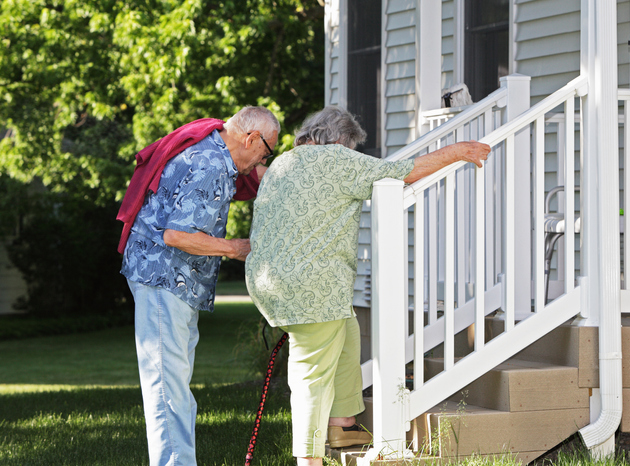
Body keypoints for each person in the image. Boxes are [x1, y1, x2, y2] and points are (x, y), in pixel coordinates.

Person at [244, 106, 490, 466]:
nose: (352, 154)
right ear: (340, 141)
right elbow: (401, 173)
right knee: (310, 373)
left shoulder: (283, 163)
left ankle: (343, 424)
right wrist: (458, 151)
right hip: (313, 289)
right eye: (351, 147)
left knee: (346, 330)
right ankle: (307, 459)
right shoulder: (337, 160)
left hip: (272, 282)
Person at [118, 106, 280, 466]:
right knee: (167, 389)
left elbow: (261, 178)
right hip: (162, 278)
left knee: (174, 386)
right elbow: (176, 235)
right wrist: (236, 249)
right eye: (266, 152)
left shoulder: (216, 157)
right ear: (251, 138)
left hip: (173, 281)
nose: (261, 162)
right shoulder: (207, 165)